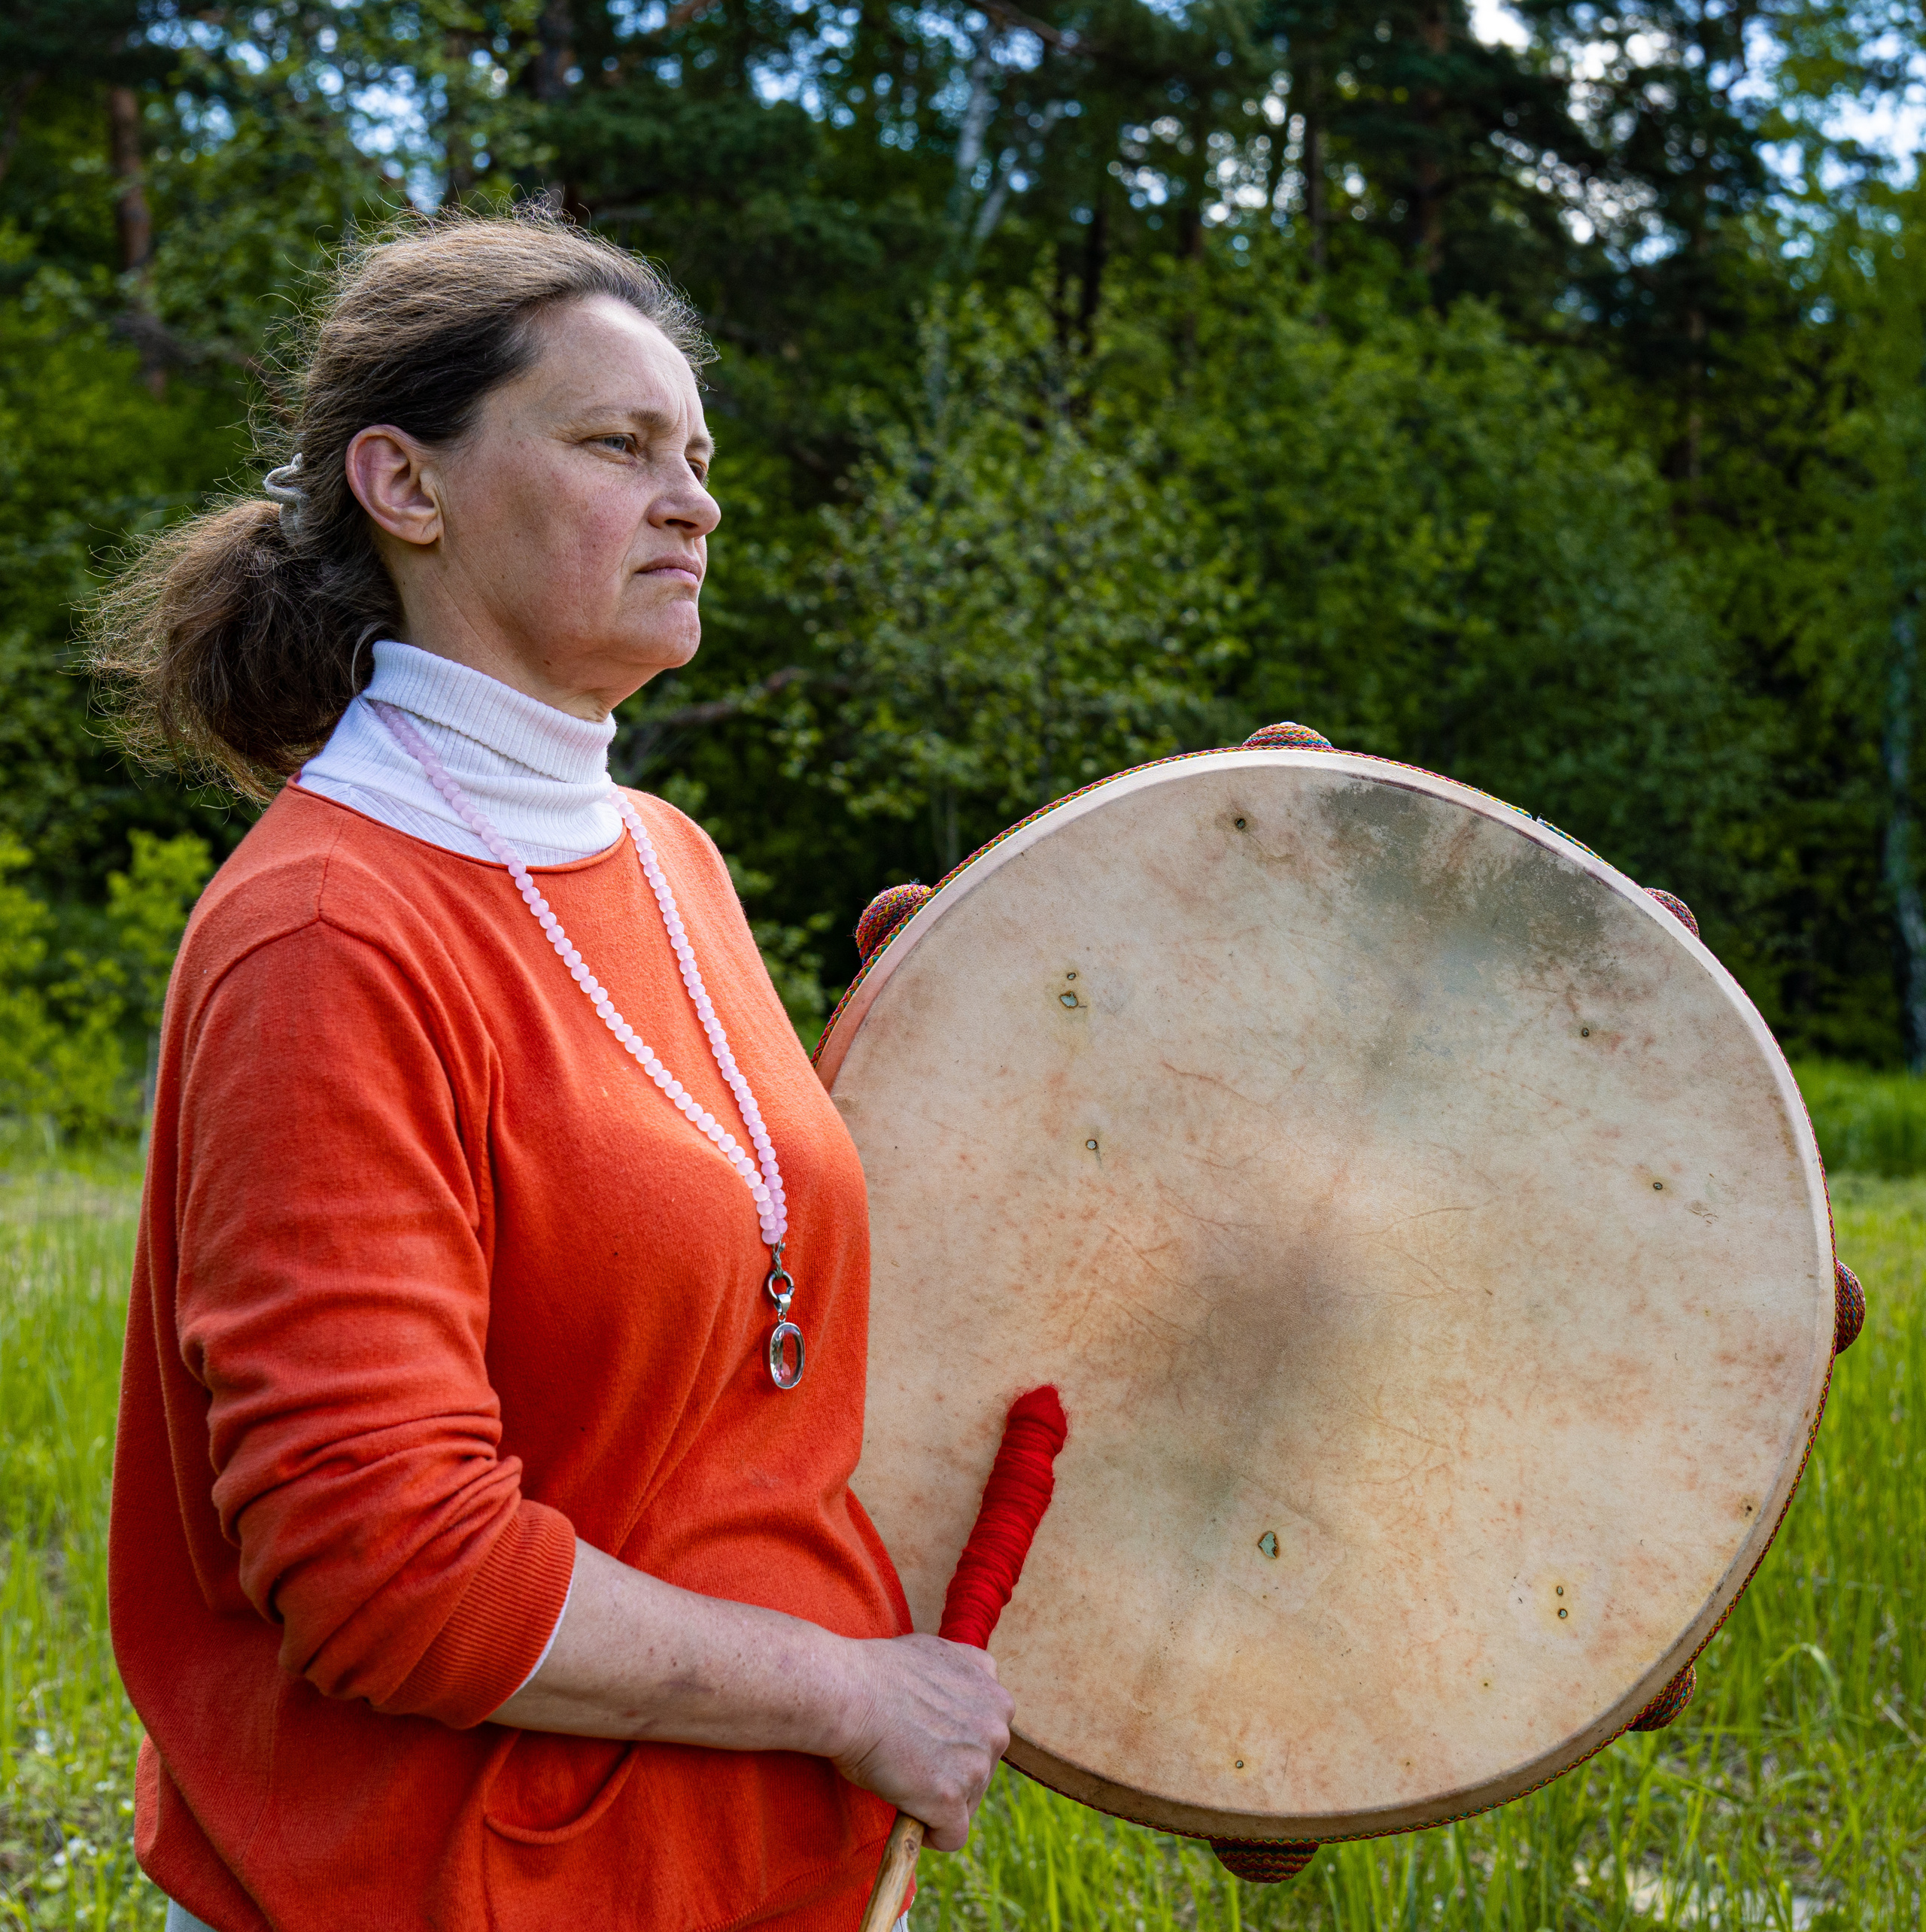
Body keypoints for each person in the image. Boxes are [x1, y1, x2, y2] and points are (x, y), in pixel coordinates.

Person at [93, 208, 1013, 1932]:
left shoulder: (667, 858)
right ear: (404, 484)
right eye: (617, 444)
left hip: (745, 1872)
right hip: (434, 1886)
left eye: (698, 454)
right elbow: (393, 1578)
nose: (696, 500)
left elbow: (707, 1289)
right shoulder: (328, 932)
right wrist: (853, 1696)